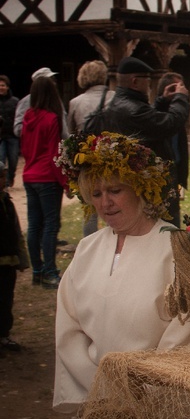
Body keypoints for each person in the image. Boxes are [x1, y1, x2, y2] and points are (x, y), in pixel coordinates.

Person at [53, 132, 190, 413]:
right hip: (97, 398)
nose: (105, 203)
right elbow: (68, 326)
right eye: (96, 194)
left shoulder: (176, 247)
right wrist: (100, 388)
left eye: (115, 191)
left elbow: (186, 326)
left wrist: (146, 389)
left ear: (139, 188)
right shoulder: (87, 248)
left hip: (156, 402)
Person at [103, 56, 189, 225]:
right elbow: (170, 124)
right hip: (152, 186)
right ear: (135, 81)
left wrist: (163, 101)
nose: (150, 84)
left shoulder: (123, 104)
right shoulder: (132, 110)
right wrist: (181, 98)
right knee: (165, 231)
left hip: (144, 184)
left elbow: (150, 126)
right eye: (147, 79)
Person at [21, 76, 67, 289]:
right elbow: (54, 155)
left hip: (30, 175)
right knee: (50, 225)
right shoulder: (51, 120)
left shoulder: (28, 117)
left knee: (34, 225)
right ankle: (49, 271)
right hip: (47, 177)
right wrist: (66, 183)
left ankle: (37, 270)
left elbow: (25, 149)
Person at [67, 60, 115, 236]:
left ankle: (90, 247)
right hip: (114, 159)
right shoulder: (114, 98)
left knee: (89, 210)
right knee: (116, 205)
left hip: (87, 161)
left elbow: (71, 135)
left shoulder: (75, 103)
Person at [0, 160, 29, 353]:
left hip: (8, 262)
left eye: (2, 176)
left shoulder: (7, 202)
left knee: (5, 299)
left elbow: (17, 232)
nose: (1, 180)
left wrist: (22, 257)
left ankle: (3, 334)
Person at [154, 72, 189, 224]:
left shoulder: (178, 114)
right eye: (177, 87)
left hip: (175, 171)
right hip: (160, 175)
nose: (181, 91)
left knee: (174, 216)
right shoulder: (156, 115)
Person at [14, 67, 69, 140]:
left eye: (53, 79)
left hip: (55, 144)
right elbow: (17, 129)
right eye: (50, 80)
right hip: (34, 145)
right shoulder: (26, 101)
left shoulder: (56, 100)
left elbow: (63, 123)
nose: (54, 83)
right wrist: (39, 130)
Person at [0, 75, 20, 188]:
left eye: (3, 85)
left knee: (13, 159)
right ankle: (3, 183)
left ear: (7, 87)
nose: (1, 88)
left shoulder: (15, 101)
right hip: (1, 137)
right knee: (1, 159)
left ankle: (11, 176)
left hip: (12, 136)